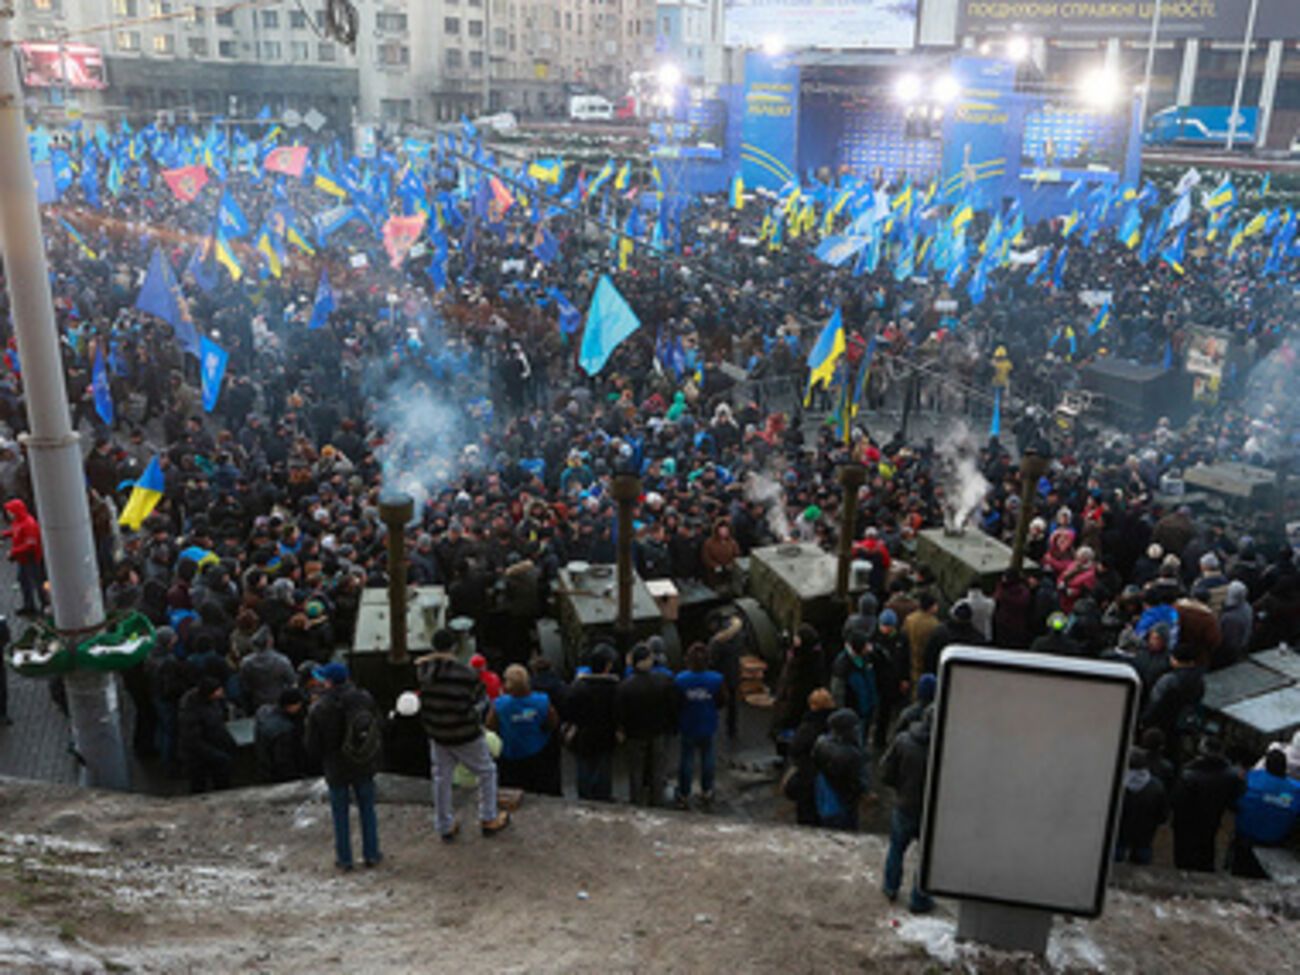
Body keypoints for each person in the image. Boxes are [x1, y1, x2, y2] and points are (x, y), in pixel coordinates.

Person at [417, 630, 511, 840]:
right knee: (487, 771)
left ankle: (444, 825)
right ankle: (488, 817)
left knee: (441, 778)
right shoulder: (466, 674)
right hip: (465, 733)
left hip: (437, 734)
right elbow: (481, 701)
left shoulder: (424, 671)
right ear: (454, 648)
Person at [305, 662, 384, 870]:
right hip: (362, 761)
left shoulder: (320, 707)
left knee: (340, 814)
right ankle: (372, 854)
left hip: (336, 766)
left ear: (328, 681)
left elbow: (312, 745)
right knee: (367, 809)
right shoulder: (364, 698)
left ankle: (345, 858)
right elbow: (377, 724)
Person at [880, 704, 935, 913]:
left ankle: (890, 886)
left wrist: (900, 788)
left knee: (896, 848)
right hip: (930, 811)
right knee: (926, 857)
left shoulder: (904, 740)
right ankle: (919, 899)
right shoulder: (944, 746)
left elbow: (887, 772)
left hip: (904, 804)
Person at [614, 644, 677, 806]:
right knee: (658, 769)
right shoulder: (663, 681)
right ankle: (657, 800)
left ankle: (636, 801)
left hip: (635, 734)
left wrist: (622, 730)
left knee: (636, 770)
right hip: (658, 731)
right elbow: (672, 706)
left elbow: (620, 713)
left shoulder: (625, 687)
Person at [1171, 735, 1244, 872]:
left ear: (1202, 750)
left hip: (1186, 823)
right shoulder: (1231, 775)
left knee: (1183, 857)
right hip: (1212, 821)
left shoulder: (1188, 774)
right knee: (1206, 850)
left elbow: (1176, 802)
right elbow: (1235, 799)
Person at [487, 664, 560, 795]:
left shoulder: (500, 704)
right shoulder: (542, 700)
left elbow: (490, 726)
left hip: (510, 754)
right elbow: (553, 723)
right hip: (536, 752)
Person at [1230, 747, 1300, 878]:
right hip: (1276, 844)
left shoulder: (1251, 778)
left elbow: (1235, 802)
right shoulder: (1295, 790)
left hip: (1245, 840)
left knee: (1239, 874)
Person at [674, 642, 727, 809]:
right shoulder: (717, 679)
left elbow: (676, 703)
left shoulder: (680, 680)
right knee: (708, 758)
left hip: (688, 723)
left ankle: (683, 792)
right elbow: (722, 701)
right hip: (708, 723)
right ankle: (707, 790)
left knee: (686, 759)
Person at [566, 644, 621, 801]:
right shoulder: (614, 687)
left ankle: (584, 796)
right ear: (607, 666)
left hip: (583, 735)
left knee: (583, 767)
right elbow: (618, 712)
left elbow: (570, 711)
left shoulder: (578, 686)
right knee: (603, 768)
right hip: (606, 735)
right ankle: (603, 797)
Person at [176, 675, 237, 794]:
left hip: (213, 745)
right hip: (198, 755)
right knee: (198, 784)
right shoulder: (190, 711)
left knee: (221, 780)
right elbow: (193, 740)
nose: (222, 692)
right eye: (218, 691)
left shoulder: (213, 702)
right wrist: (217, 754)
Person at [811, 709, 866, 831]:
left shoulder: (821, 742)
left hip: (825, 795)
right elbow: (856, 782)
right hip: (843, 802)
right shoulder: (852, 754)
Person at [786, 688, 835, 826]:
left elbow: (795, 749)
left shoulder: (807, 727)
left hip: (808, 779)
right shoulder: (836, 725)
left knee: (807, 816)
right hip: (831, 778)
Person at [1115, 748, 1168, 865]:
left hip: (1119, 836)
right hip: (1144, 837)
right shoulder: (1157, 786)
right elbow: (1162, 816)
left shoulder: (1116, 783)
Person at [829, 629, 877, 746]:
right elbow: (838, 694)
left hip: (865, 710)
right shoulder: (842, 665)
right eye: (866, 645)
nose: (869, 647)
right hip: (853, 714)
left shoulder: (866, 658)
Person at [254, 687, 309, 783]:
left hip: (263, 766)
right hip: (277, 776)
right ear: (291, 706)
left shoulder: (264, 712)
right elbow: (284, 761)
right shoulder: (284, 731)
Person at [3, 498, 44, 616]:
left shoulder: (28, 524)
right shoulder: (20, 521)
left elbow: (30, 545)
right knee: (24, 581)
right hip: (23, 559)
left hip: (30, 559)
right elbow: (15, 531)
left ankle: (44, 604)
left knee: (36, 582)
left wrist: (13, 552)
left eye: (10, 512)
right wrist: (5, 535)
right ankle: (30, 605)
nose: (9, 514)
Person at [238, 631, 297, 713]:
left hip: (256, 701)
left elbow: (244, 684)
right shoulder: (282, 661)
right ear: (270, 642)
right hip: (279, 700)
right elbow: (292, 681)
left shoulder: (246, 663)